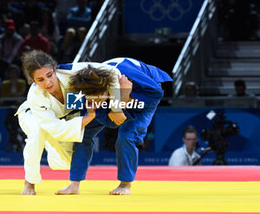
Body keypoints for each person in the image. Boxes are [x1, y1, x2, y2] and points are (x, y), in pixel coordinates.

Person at [16, 51, 132, 195]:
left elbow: (112, 71)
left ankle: (50, 149)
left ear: (55, 69)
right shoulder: (35, 96)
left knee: (68, 161)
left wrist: (116, 107)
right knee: (37, 132)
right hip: (32, 114)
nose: (47, 82)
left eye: (49, 75)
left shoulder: (71, 72)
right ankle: (29, 183)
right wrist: (88, 118)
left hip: (65, 118)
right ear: (33, 81)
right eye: (40, 80)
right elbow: (54, 127)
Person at [55, 57, 172, 195]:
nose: (96, 102)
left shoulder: (128, 79)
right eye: (91, 99)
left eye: (98, 98)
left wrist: (123, 99)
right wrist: (98, 108)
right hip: (114, 97)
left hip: (139, 94)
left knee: (127, 136)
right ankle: (74, 183)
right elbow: (55, 68)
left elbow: (157, 93)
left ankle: (125, 184)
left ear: (107, 89)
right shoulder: (85, 84)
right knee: (82, 132)